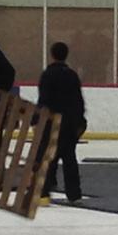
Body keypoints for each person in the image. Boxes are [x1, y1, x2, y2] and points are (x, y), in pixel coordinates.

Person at [38, 41, 86, 205]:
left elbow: (43, 100)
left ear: (51, 55)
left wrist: (38, 120)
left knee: (48, 157)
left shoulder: (47, 75)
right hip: (69, 123)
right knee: (69, 158)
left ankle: (44, 192)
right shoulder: (72, 75)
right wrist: (80, 121)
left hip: (52, 123)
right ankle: (74, 193)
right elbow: (78, 100)